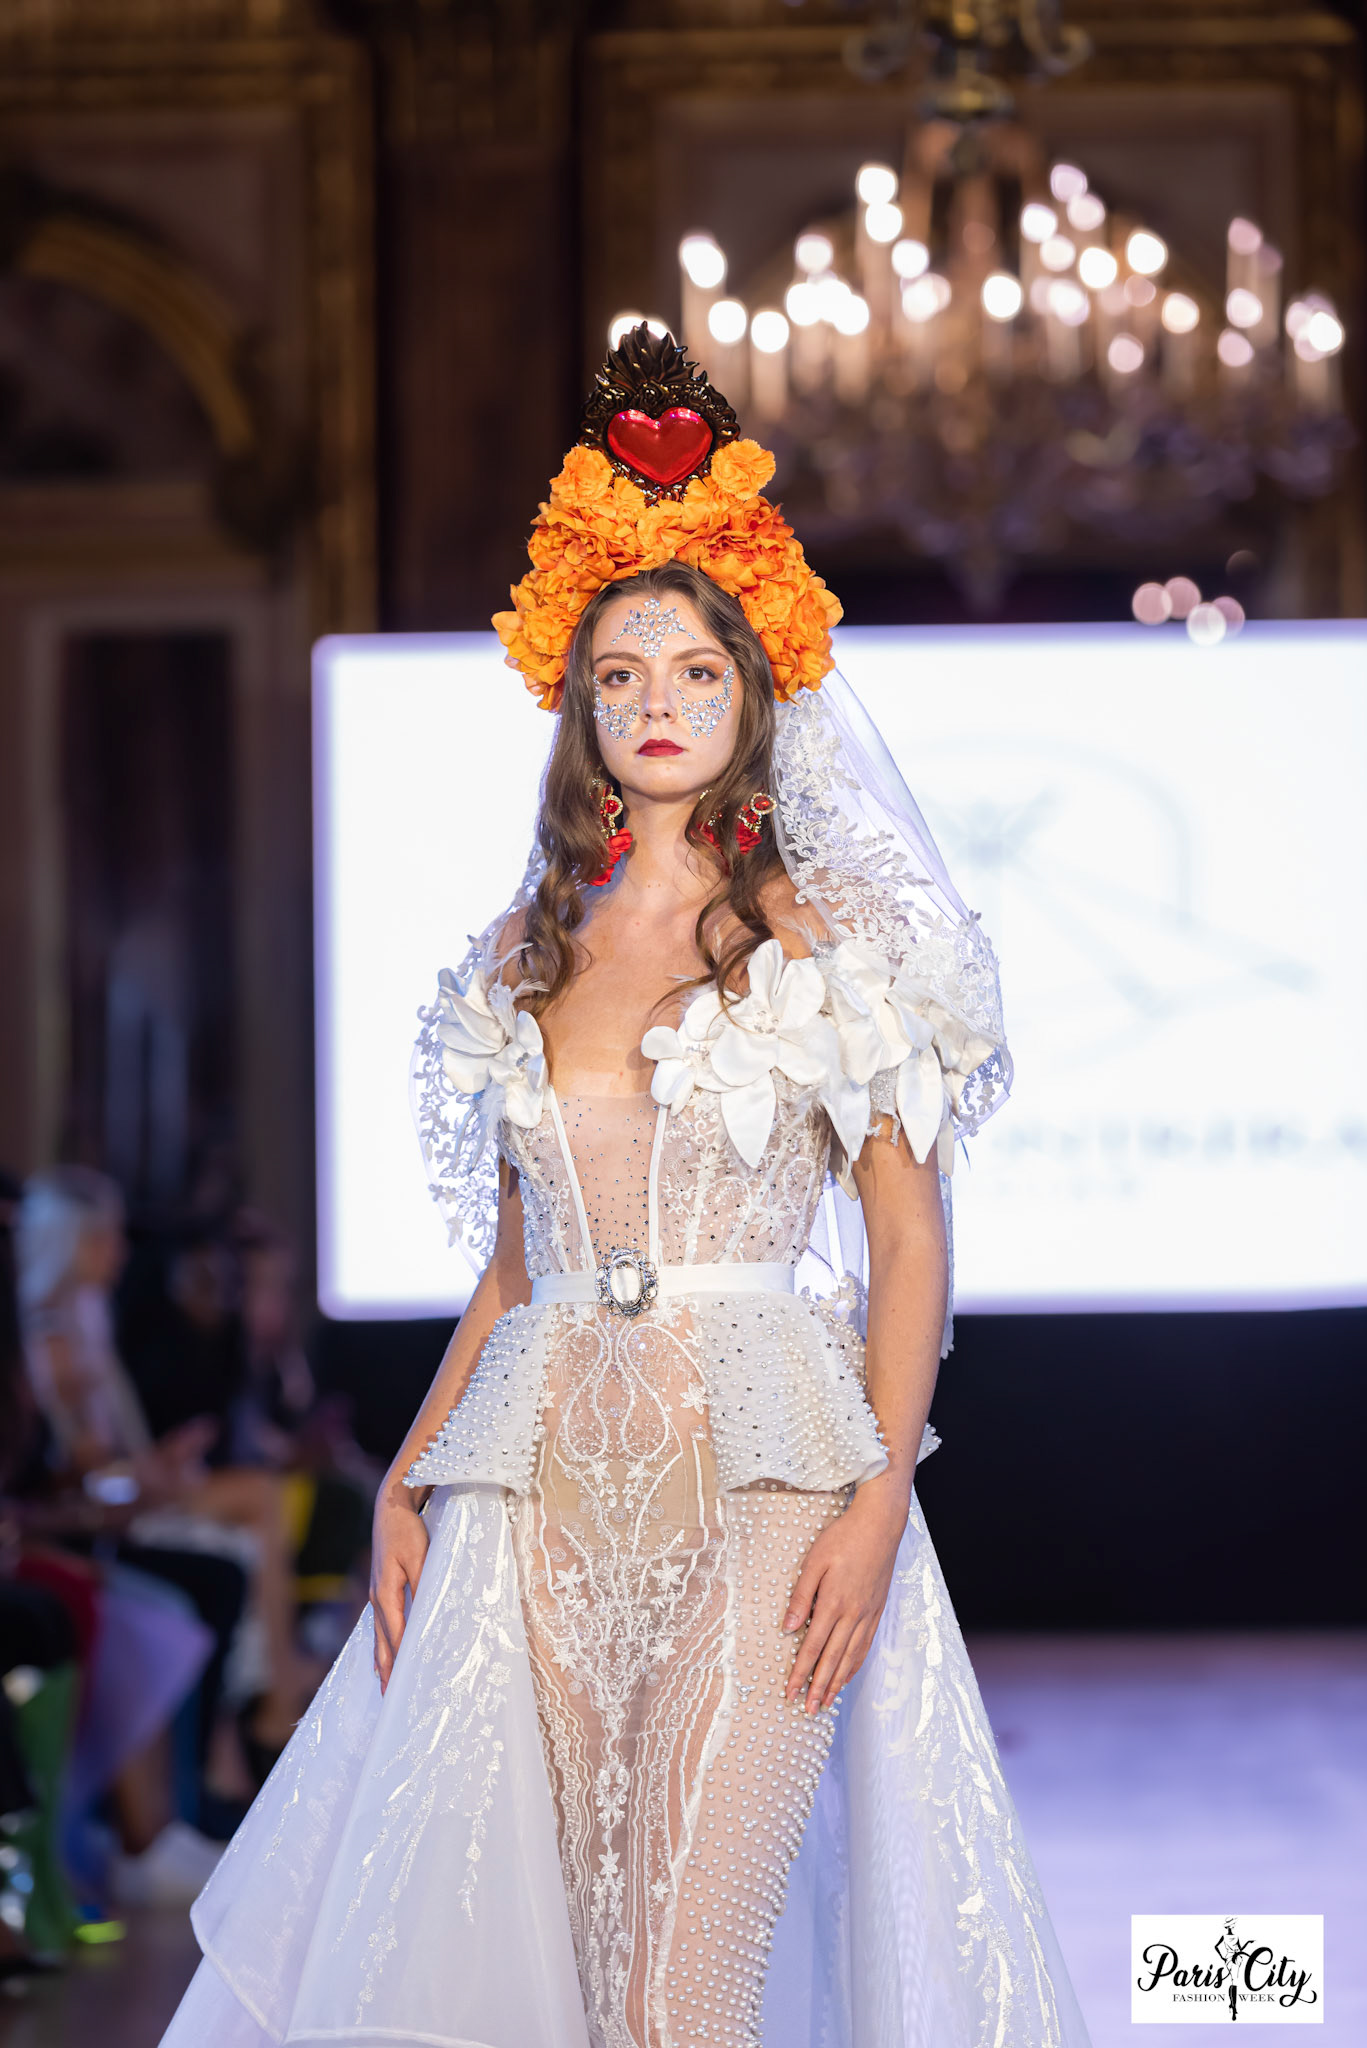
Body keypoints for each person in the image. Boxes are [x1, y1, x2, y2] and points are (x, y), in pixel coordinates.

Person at [160, 326, 1092, 2046]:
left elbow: (908, 1245)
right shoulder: (526, 950)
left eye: (695, 671)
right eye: (622, 675)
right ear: (581, 708)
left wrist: (877, 1505)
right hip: (535, 1486)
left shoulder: (833, 936)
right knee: (575, 1978)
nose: (659, 703)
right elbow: (517, 1273)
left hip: (763, 1473)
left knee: (682, 1986)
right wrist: (405, 1481)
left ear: (753, 696)